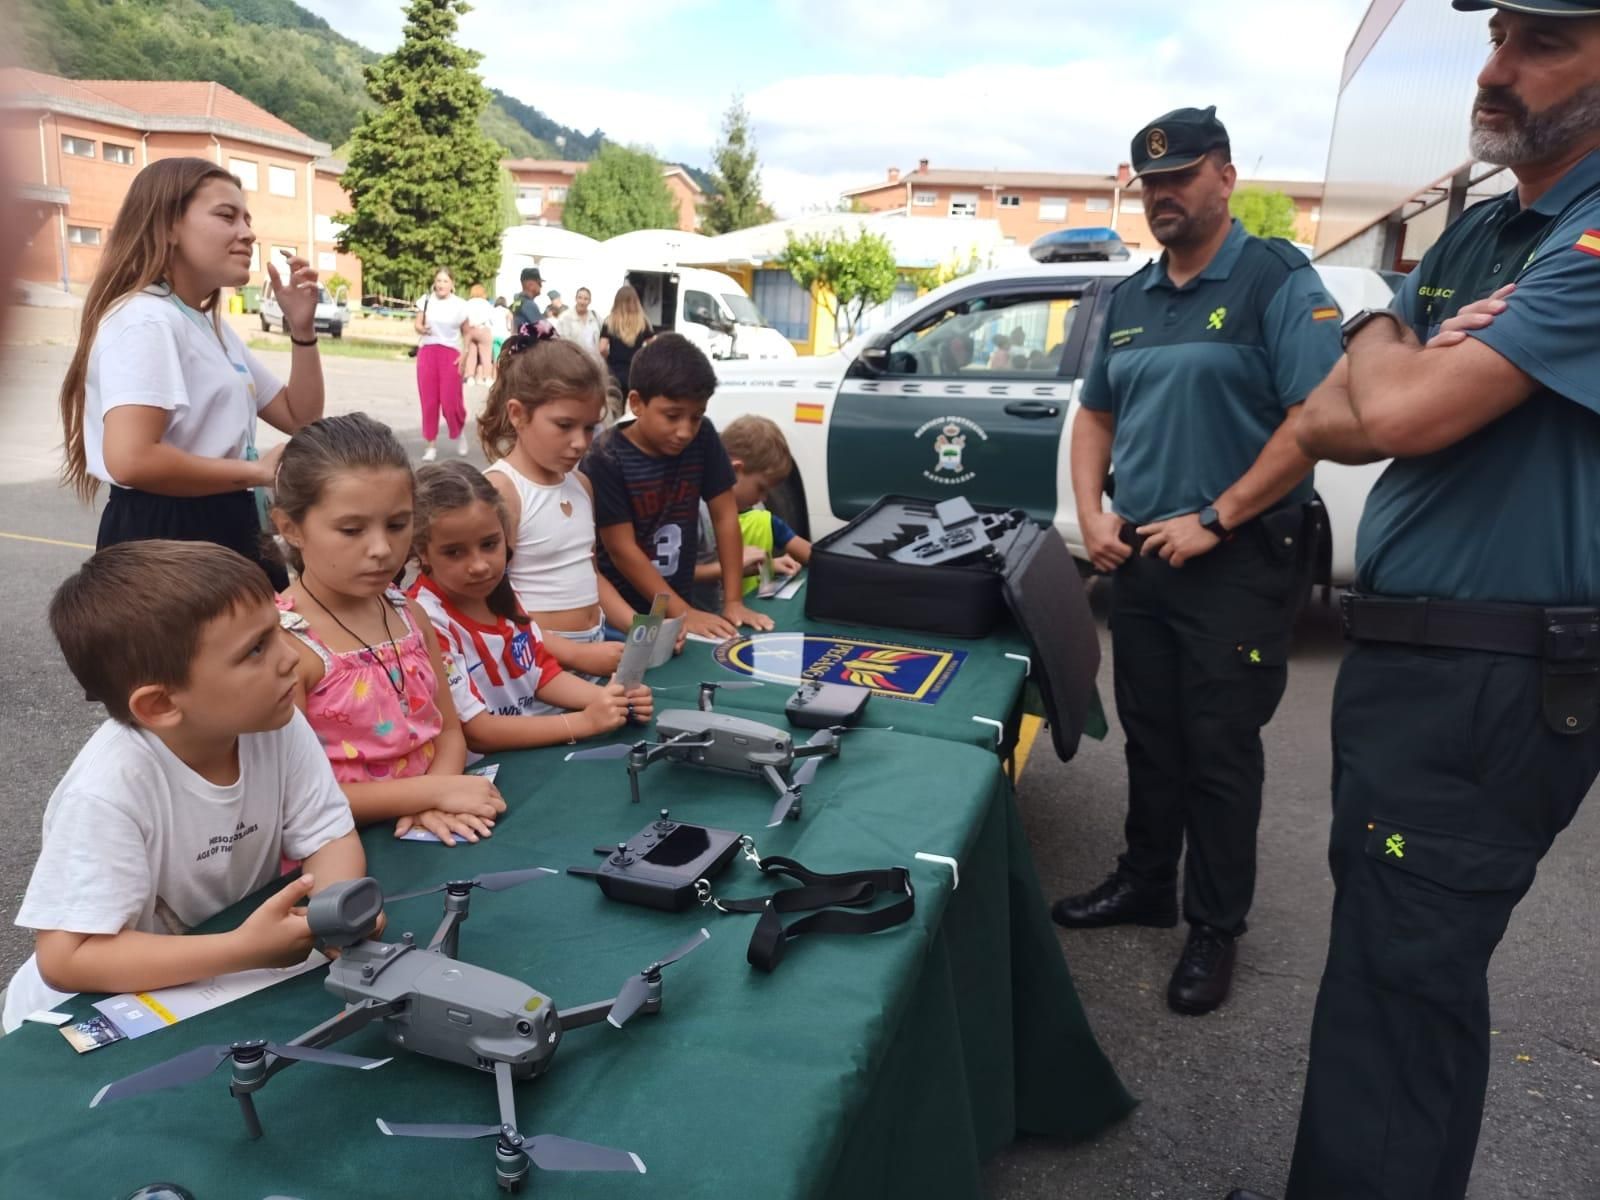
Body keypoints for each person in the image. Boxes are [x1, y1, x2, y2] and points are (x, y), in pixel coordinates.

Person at [1227, 8, 1600, 1200]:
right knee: (1388, 976)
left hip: (1486, 676)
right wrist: (1405, 358)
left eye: (1543, 40)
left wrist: (1381, 322)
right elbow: (1330, 414)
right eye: (1496, 35)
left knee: (1404, 988)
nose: (1493, 69)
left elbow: (1383, 415)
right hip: (1421, 672)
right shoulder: (1491, 229)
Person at [1050, 105, 1342, 1017]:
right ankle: (1146, 883)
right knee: (1153, 732)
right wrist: (1092, 512)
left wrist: (1218, 515)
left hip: (1241, 556)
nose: (1163, 197)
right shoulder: (1133, 297)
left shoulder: (1275, 282)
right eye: (1150, 185)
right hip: (1142, 554)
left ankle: (1215, 927)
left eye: (1179, 179)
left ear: (1224, 175)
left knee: (1220, 749)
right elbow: (1096, 414)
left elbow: (1316, 419)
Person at [1, 540, 369, 1032]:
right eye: (255, 649)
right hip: (78, 1020)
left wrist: (334, 910)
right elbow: (68, 958)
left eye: (278, 630)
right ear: (159, 706)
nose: (289, 659)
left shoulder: (274, 720)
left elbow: (328, 834)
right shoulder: (106, 791)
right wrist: (241, 948)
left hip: (216, 980)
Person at [58, 156, 327, 591]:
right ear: (168, 226)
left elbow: (300, 418)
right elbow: (131, 458)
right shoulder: (146, 319)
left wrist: (303, 330)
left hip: (224, 520)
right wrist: (256, 472)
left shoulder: (206, 324)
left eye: (247, 219)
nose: (248, 233)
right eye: (226, 216)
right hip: (169, 537)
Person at [271, 413, 506, 848]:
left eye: (398, 525)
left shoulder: (409, 613)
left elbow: (448, 730)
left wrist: (435, 798)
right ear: (290, 528)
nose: (381, 549)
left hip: (438, 825)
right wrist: (432, 793)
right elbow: (296, 797)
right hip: (346, 853)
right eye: (351, 529)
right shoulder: (283, 646)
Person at [409, 460, 654, 755]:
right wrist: (584, 722)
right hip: (482, 775)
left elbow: (539, 672)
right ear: (421, 550)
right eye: (454, 552)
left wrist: (611, 700)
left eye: (489, 544)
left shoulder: (500, 591)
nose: (479, 565)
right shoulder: (425, 620)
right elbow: (477, 731)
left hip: (529, 753)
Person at [580, 333, 774, 640]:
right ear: (636, 403)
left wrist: (734, 601)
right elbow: (622, 551)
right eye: (672, 416)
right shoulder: (606, 457)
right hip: (623, 617)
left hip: (681, 606)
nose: (685, 430)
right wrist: (683, 612)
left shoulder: (704, 438)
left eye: (696, 416)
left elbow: (725, 517)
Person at [476, 325, 635, 677]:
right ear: (517, 414)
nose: (580, 442)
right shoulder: (503, 490)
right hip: (534, 666)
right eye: (564, 425)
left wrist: (638, 629)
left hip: (593, 652)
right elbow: (488, 609)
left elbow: (589, 573)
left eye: (590, 428)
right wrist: (576, 656)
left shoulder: (581, 485)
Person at [692, 415, 812, 610]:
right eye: (760, 488)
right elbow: (669, 574)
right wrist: (732, 566)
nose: (764, 499)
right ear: (735, 471)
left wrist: (768, 566)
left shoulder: (743, 512)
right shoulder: (694, 510)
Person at [413, 268, 471, 462]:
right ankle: (430, 445)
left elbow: (467, 332)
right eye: (438, 280)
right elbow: (417, 324)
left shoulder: (460, 305)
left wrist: (465, 353)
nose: (441, 285)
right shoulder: (426, 300)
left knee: (450, 402)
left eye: (445, 281)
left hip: (450, 354)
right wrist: (422, 328)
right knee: (429, 402)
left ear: (452, 284)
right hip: (428, 352)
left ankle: (459, 429)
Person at [598, 284, 653, 394]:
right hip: (636, 371)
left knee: (615, 402)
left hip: (614, 370)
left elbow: (602, 348)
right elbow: (653, 346)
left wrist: (609, 357)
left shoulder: (610, 321)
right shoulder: (643, 322)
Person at [460, 283, 496, 389]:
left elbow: (464, 317)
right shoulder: (486, 304)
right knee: (486, 355)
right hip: (483, 329)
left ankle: (470, 377)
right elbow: (491, 318)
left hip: (470, 330)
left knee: (471, 354)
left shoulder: (468, 303)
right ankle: (487, 378)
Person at [556, 286, 602, 352]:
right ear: (575, 299)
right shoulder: (565, 318)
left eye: (586, 299)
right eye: (580, 298)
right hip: (573, 360)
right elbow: (559, 342)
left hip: (594, 360)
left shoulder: (595, 317)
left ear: (590, 301)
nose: (582, 302)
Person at [512, 267, 544, 335]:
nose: (541, 286)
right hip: (528, 344)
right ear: (530, 284)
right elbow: (545, 332)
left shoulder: (518, 302)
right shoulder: (528, 305)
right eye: (539, 283)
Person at [491, 296, 512, 362]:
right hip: (504, 337)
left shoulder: (492, 311)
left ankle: (495, 372)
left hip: (494, 336)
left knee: (496, 360)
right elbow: (509, 327)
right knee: (504, 359)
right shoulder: (507, 311)